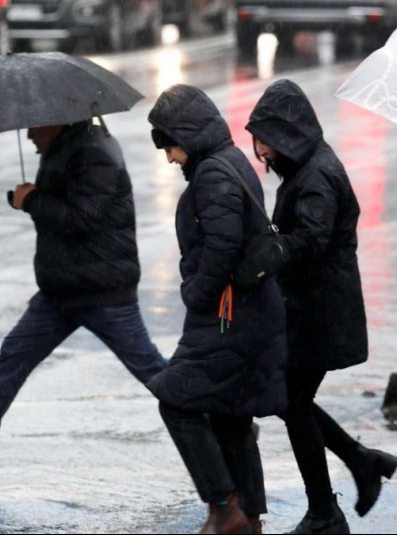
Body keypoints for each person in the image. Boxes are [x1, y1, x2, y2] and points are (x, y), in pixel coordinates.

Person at [0, 119, 167, 476]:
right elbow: (64, 208)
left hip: (102, 291)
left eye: (34, 127)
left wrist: (32, 199)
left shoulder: (94, 153)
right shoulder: (65, 148)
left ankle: (217, 422)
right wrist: (31, 198)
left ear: (56, 121)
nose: (30, 135)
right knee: (14, 354)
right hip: (62, 290)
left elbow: (83, 219)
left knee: (152, 369)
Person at [241, 79, 397, 535]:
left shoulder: (317, 175)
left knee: (290, 399)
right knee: (293, 400)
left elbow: (312, 239)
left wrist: (269, 253)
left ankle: (328, 507)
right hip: (311, 307)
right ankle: (357, 467)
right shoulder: (306, 168)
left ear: (288, 133)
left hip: (320, 311)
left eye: (267, 140)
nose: (263, 152)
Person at [146, 84, 288, 535]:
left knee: (177, 400)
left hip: (228, 317)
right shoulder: (230, 162)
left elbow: (223, 245)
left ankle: (226, 509)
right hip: (249, 315)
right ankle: (249, 515)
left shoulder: (213, 174)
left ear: (187, 134)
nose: (169, 157)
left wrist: (198, 295)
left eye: (170, 144)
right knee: (230, 412)